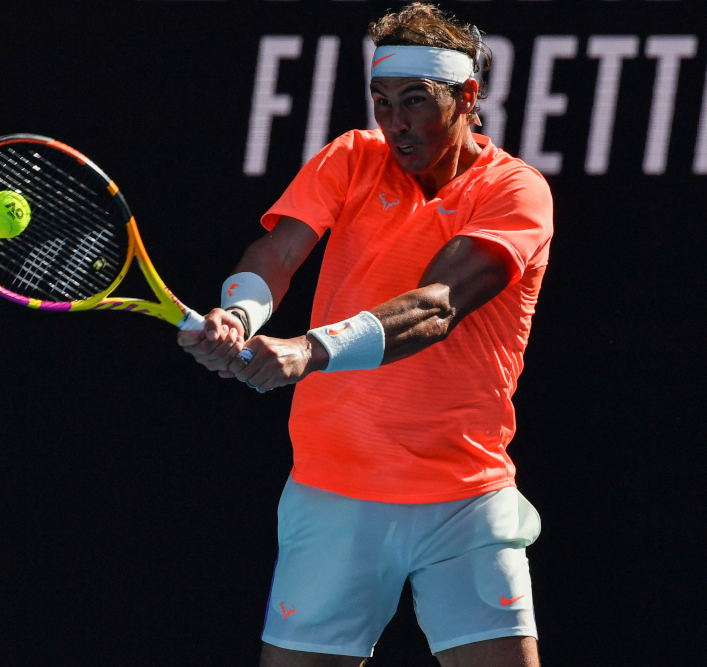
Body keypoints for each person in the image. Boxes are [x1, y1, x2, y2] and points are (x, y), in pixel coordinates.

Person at [178, 4, 553, 665]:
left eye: (416, 100)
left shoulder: (515, 192)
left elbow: (436, 307)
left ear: (469, 97)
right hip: (332, 490)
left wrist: (308, 350)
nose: (396, 122)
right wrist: (239, 315)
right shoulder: (353, 158)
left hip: (465, 500)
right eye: (383, 101)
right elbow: (278, 254)